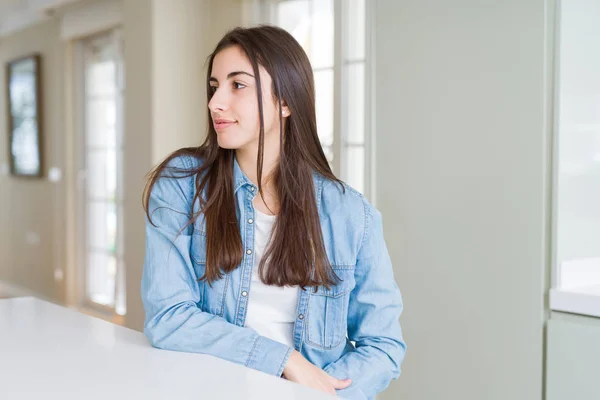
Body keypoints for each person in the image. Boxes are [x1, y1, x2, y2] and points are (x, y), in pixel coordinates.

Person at [141, 25, 406, 400]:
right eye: (214, 87)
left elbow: (383, 346)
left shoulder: (351, 215)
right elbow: (167, 318)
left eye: (238, 85)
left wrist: (317, 394)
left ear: (285, 101)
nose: (215, 102)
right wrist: (285, 361)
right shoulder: (182, 186)